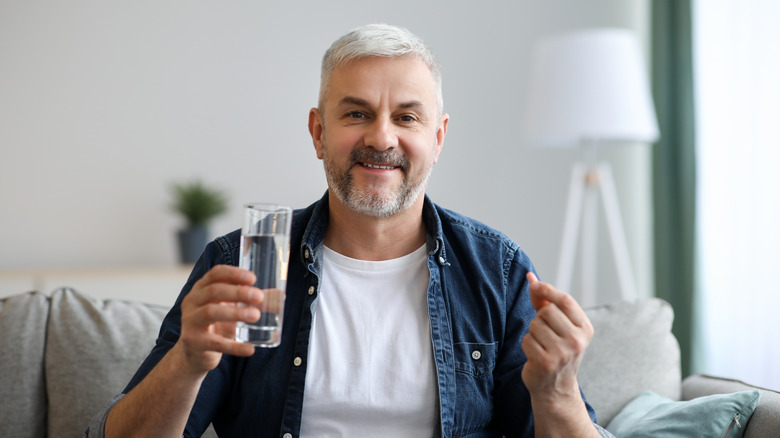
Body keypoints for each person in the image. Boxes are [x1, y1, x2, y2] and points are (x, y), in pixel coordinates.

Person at [87, 23, 614, 438]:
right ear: (318, 132)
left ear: (439, 136)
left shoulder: (497, 271)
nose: (381, 137)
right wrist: (187, 362)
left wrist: (558, 390)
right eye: (357, 113)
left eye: (407, 117)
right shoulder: (244, 261)